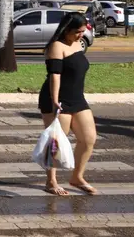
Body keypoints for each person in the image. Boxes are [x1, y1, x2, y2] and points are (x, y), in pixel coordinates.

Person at [38, 11, 97, 196]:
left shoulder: (78, 44)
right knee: (56, 142)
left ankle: (76, 177)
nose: (81, 35)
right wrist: (55, 101)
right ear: (66, 29)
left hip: (77, 98)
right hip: (57, 98)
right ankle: (51, 181)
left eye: (83, 31)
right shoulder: (57, 46)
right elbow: (55, 75)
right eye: (77, 31)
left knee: (88, 139)